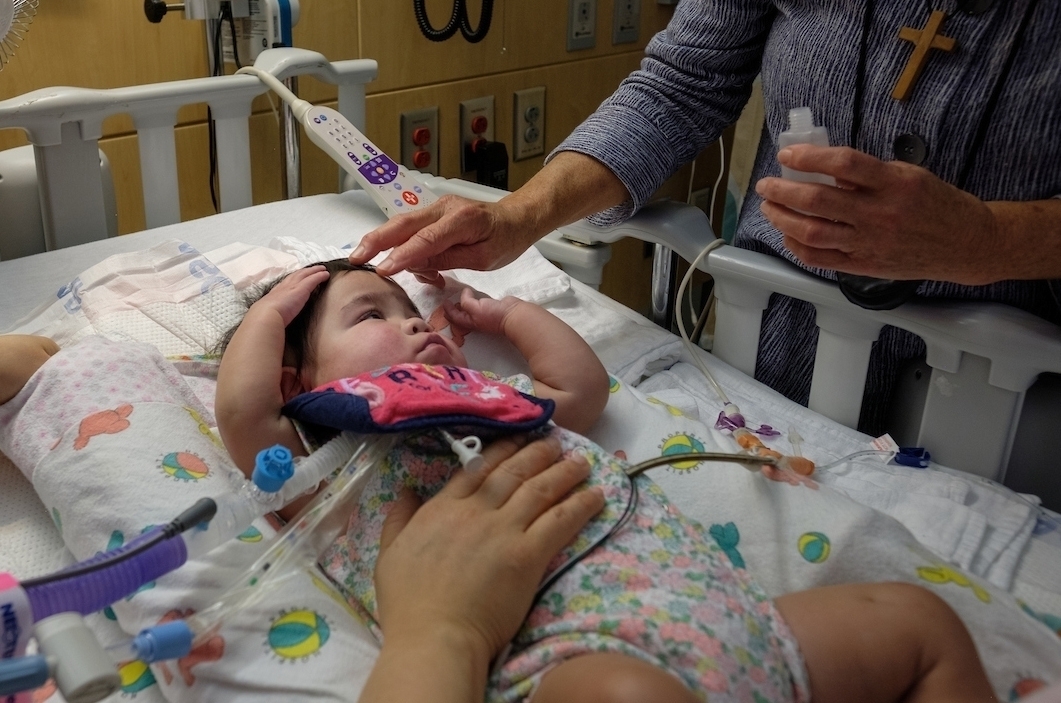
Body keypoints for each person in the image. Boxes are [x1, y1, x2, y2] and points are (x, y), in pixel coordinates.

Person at [211, 259, 998, 703]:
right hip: (576, 659)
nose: (416, 321)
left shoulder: (500, 404)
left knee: (917, 621)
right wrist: (271, 308)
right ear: (295, 380)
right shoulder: (325, 456)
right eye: (368, 314)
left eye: (411, 308)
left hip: (740, 626)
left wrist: (506, 314)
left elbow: (580, 388)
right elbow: (244, 412)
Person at [346, 0, 1061, 434]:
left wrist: (988, 241)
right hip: (784, 340)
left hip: (1023, 382)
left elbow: (577, 392)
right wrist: (520, 215)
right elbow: (681, 85)